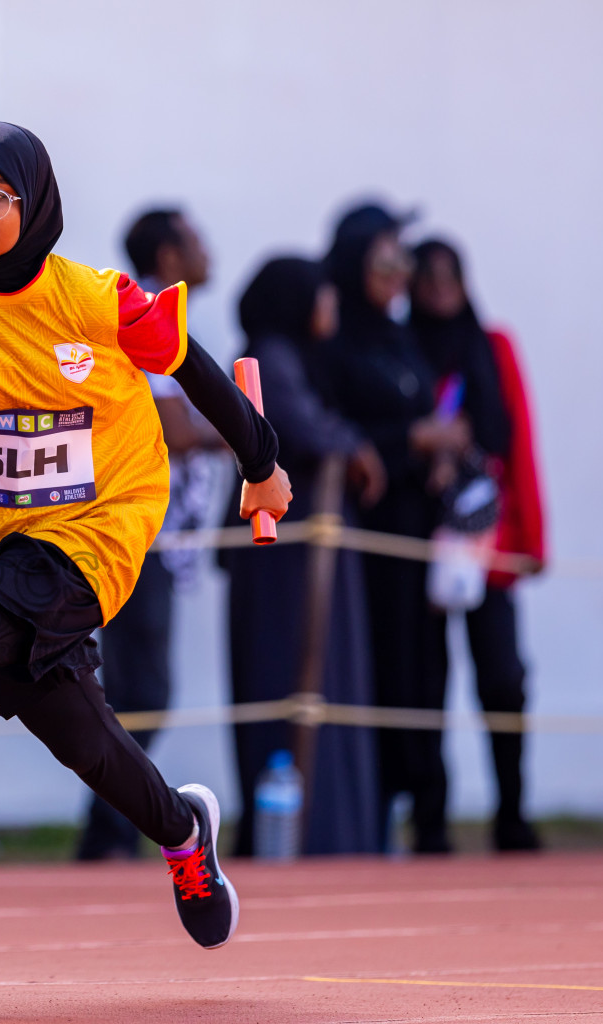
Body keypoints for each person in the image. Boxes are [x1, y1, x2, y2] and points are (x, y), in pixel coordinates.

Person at [0, 122, 290, 967]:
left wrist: (262, 463)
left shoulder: (94, 297)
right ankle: (184, 831)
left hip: (93, 531)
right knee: (85, 739)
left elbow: (192, 366)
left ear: (34, 204)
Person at [219, 256, 383, 856]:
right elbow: (292, 425)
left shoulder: (296, 360)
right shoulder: (266, 359)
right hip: (282, 561)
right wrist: (354, 445)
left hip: (304, 556)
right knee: (290, 680)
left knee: (322, 684)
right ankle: (306, 834)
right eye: (322, 296)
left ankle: (333, 831)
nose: (331, 308)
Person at [320, 202, 470, 854]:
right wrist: (410, 437)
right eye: (386, 259)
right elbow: (338, 428)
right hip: (367, 539)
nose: (399, 273)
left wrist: (440, 450)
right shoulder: (339, 341)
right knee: (378, 670)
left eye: (403, 260)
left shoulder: (400, 335)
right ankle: (370, 824)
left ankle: (431, 823)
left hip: (420, 533)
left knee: (428, 671)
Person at [75, 208, 223, 862]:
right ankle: (108, 834)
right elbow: (175, 430)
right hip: (132, 532)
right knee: (141, 690)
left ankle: (110, 832)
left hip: (148, 533)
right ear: (168, 256)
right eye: (195, 240)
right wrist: (243, 433)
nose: (207, 251)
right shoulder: (144, 322)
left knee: (139, 690)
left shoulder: (154, 320)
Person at [410, 237, 546, 852]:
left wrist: (531, 542)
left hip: (489, 541)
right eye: (427, 277)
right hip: (420, 543)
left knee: (503, 678)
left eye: (449, 276)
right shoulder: (404, 349)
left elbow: (519, 445)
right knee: (424, 683)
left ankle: (512, 812)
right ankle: (431, 822)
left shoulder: (494, 348)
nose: (439, 288)